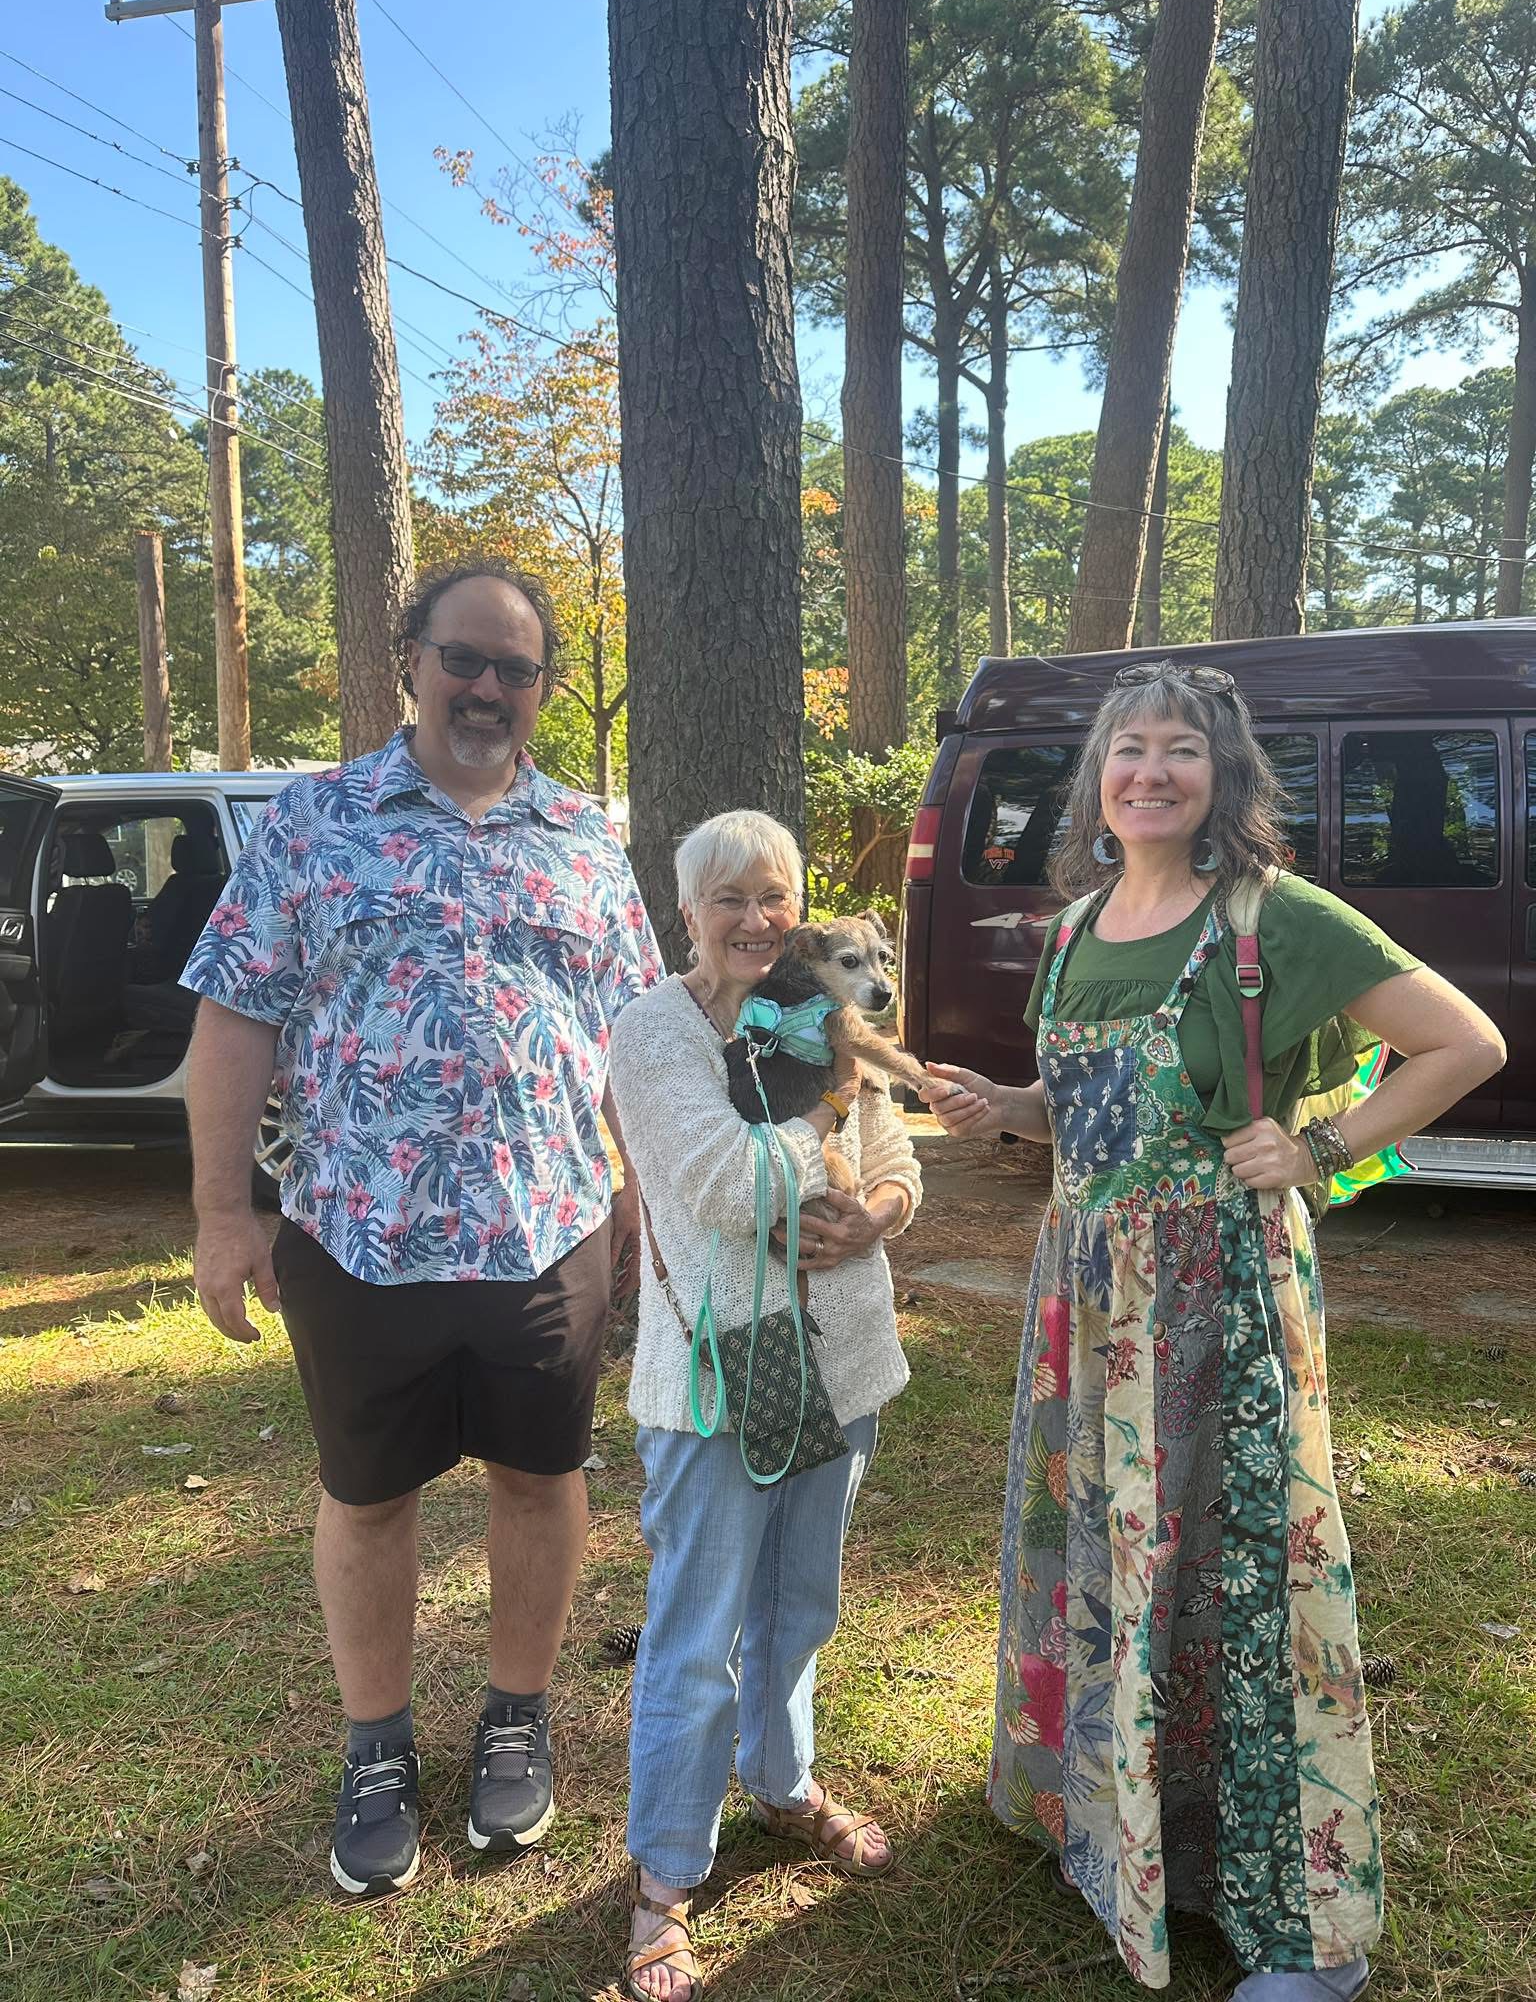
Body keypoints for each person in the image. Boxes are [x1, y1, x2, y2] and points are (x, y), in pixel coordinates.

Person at [924, 660, 1505, 2000]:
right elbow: (1088, 1113)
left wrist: (1320, 1147)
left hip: (1218, 1301)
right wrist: (1009, 1110)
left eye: (1181, 749)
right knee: (1109, 1562)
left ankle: (1302, 1924)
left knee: (1246, 1583)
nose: (1151, 771)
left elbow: (1463, 1043)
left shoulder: (1271, 917)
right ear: (1098, 778)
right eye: (1129, 748)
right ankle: (1128, 1825)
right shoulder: (1075, 929)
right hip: (1086, 1304)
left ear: (1223, 775)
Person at [180, 558, 662, 1897]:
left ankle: (515, 1715)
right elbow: (234, 1014)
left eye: (517, 667)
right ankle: (377, 1743)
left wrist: (647, 1189)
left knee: (539, 1477)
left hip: (548, 1231)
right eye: (466, 657)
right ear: (413, 658)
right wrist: (223, 1212)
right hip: (357, 1233)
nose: (488, 687)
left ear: (542, 687)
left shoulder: (586, 836)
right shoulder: (315, 819)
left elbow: (637, 1033)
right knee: (368, 1494)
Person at [608, 811, 921, 2002]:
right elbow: (727, 1184)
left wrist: (877, 1213)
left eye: (775, 895)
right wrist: (832, 1110)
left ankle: (783, 1783)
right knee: (697, 1637)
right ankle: (664, 1874)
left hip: (841, 1361)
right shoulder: (657, 1027)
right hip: (718, 1378)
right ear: (687, 909)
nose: (755, 918)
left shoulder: (820, 1011)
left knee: (800, 1603)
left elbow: (899, 1161)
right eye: (729, 896)